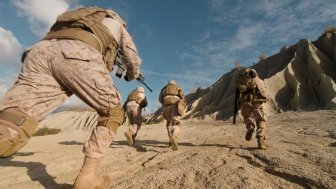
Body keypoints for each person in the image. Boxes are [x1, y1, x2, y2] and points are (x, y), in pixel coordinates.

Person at [0, 6, 142, 189]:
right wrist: (133, 73)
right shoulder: (117, 25)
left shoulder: (82, 16)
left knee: (15, 116)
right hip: (78, 54)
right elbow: (132, 57)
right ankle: (88, 177)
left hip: (39, 52)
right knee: (113, 114)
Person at [235, 67, 268, 149]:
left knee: (246, 116)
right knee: (261, 120)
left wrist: (239, 103)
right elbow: (263, 89)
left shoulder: (241, 81)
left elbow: (238, 93)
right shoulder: (256, 79)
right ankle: (261, 141)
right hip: (257, 100)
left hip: (245, 101)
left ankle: (250, 126)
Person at [159, 80, 186, 151]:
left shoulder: (163, 89)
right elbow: (182, 96)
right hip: (174, 105)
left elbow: (160, 99)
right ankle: (173, 137)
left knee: (168, 123)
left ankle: (170, 139)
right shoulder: (178, 87)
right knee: (176, 122)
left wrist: (165, 103)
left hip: (165, 106)